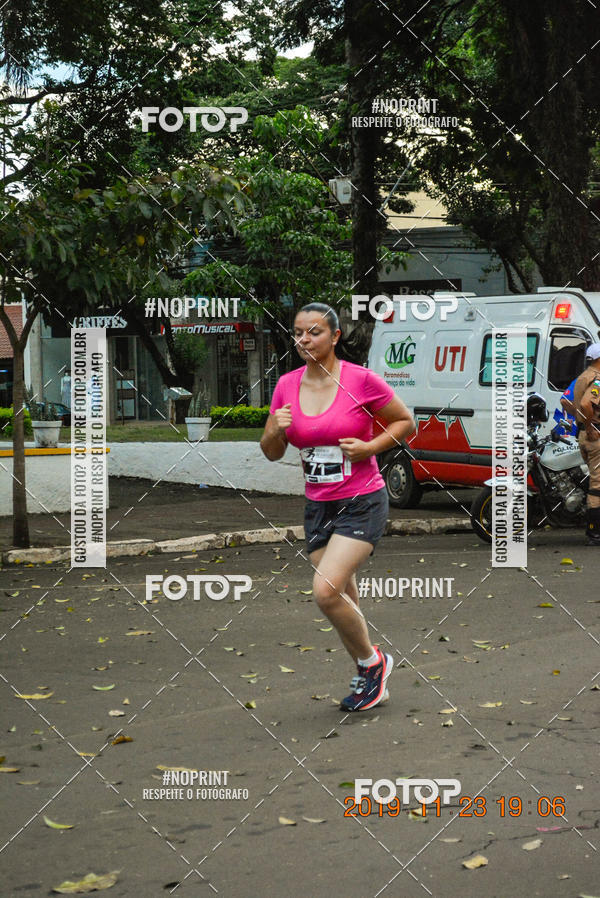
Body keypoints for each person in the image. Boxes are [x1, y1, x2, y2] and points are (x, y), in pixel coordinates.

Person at [260, 303, 415, 711]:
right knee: (343, 599)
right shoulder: (287, 386)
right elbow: (272, 452)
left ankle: (373, 662)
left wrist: (370, 447)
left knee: (325, 592)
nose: (304, 340)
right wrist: (274, 430)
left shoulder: (361, 381)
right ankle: (369, 678)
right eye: (298, 333)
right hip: (318, 507)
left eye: (313, 332)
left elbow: (405, 423)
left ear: (334, 337)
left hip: (362, 500)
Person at [572, 343, 600, 545]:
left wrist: (584, 426)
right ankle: (594, 533)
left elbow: (571, 403)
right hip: (595, 437)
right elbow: (585, 404)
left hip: (583, 436)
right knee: (598, 486)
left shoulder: (583, 377)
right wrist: (591, 427)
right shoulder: (597, 380)